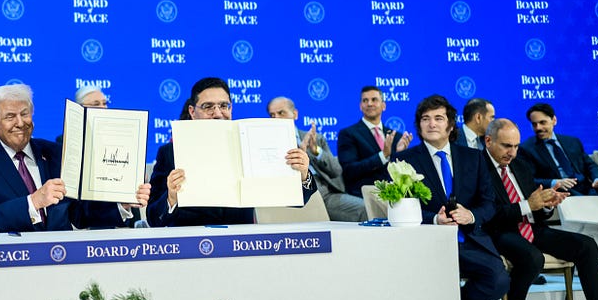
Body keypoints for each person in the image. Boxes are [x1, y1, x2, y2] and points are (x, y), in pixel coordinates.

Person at [482, 118, 598, 300]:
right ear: (488, 141)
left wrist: (547, 204)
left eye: (515, 146)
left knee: (586, 245)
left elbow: (536, 207)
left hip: (532, 228)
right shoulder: (477, 168)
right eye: (506, 146)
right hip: (499, 231)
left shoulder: (520, 165)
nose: (512, 152)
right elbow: (487, 213)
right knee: (532, 257)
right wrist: (528, 206)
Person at [0, 84, 149, 233]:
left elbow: (79, 214)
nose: (20, 123)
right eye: (10, 116)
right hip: (10, 266)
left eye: (25, 114)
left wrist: (121, 204)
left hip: (63, 261)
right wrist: (33, 202)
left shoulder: (56, 153)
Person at [400, 94, 507, 300]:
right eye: (425, 119)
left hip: (468, 239)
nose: (432, 124)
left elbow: (489, 203)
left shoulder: (473, 157)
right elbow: (400, 208)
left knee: (499, 280)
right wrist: (434, 220)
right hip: (427, 242)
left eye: (438, 118)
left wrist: (471, 215)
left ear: (450, 125)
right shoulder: (404, 161)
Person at [147, 77, 313, 227]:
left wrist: (303, 173)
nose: (218, 113)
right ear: (192, 112)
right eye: (208, 107)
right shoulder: (169, 152)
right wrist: (172, 197)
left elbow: (297, 199)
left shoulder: (251, 144)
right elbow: (153, 218)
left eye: (224, 106)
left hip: (241, 245)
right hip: (189, 246)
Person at [267, 95, 364, 221]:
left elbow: (336, 171)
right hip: (294, 196)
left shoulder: (316, 138)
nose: (276, 118)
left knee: (365, 208)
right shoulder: (269, 143)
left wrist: (316, 151)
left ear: (295, 114)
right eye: (272, 115)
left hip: (326, 194)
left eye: (281, 113)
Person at [520, 103, 598, 195]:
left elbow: (590, 165)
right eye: (534, 124)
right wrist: (555, 182)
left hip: (587, 187)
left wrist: (597, 179)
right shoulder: (527, 148)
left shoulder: (572, 141)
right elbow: (529, 180)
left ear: (554, 120)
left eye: (543, 122)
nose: (538, 128)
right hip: (560, 192)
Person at [336, 85, 410, 195]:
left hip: (395, 193)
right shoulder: (348, 134)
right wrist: (383, 156)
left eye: (374, 100)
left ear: (383, 106)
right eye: (365, 101)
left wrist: (399, 154)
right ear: (361, 106)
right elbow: (349, 170)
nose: (369, 104)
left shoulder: (396, 137)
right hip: (363, 194)